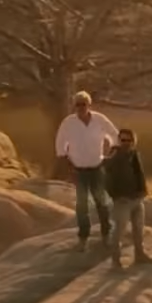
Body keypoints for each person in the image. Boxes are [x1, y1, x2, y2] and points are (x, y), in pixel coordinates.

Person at [55, 90, 119, 251]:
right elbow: (60, 143)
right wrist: (67, 163)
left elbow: (115, 135)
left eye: (84, 104)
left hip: (97, 166)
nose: (81, 107)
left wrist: (110, 154)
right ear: (74, 106)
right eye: (78, 104)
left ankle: (106, 234)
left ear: (89, 105)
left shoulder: (99, 119)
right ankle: (83, 238)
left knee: (101, 202)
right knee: (82, 205)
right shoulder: (68, 122)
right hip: (78, 169)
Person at [103, 128, 152, 269]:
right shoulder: (115, 155)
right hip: (122, 200)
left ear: (133, 141)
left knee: (138, 230)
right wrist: (116, 196)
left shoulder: (134, 154)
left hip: (137, 198)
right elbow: (106, 175)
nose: (125, 143)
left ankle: (139, 255)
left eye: (128, 140)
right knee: (119, 231)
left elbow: (140, 174)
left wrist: (143, 192)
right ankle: (116, 262)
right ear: (119, 140)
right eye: (122, 140)